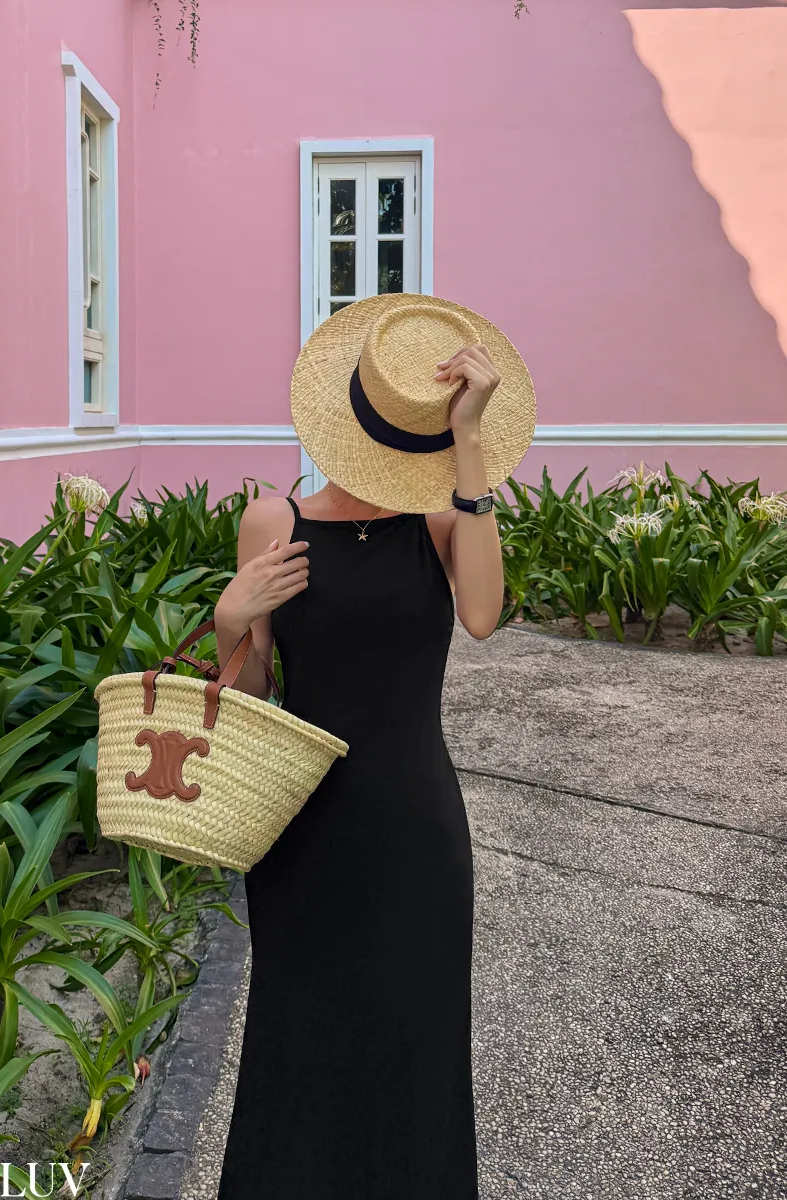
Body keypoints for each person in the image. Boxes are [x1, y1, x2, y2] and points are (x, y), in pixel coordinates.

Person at [212, 294, 536, 1199]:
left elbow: (483, 615)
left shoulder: (442, 520)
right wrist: (230, 621)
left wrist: (469, 440)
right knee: (298, 1043)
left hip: (416, 833)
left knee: (415, 1045)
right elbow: (248, 699)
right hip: (302, 832)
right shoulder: (272, 521)